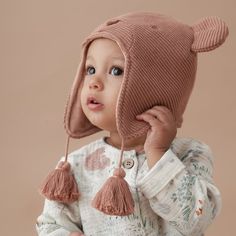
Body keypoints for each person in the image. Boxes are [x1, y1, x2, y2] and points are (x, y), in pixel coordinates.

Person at [36, 11, 229, 236]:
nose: (94, 83)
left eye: (116, 71)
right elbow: (50, 224)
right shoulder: (75, 166)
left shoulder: (190, 154)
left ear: (155, 86)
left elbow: (197, 220)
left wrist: (158, 155)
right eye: (90, 70)